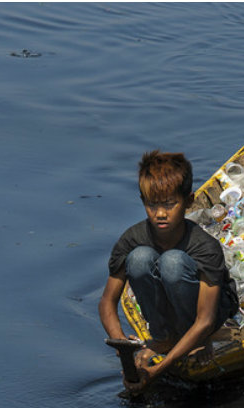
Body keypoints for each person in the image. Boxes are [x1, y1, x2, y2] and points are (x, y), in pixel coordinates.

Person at [99, 150, 237, 392]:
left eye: (170, 204)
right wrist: (123, 347)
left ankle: (192, 341)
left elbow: (205, 320)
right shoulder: (132, 239)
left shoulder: (204, 246)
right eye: (152, 205)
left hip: (210, 315)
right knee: (139, 258)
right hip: (168, 304)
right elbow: (107, 303)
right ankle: (163, 337)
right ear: (143, 201)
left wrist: (157, 370)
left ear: (189, 202)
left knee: (172, 262)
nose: (160, 213)